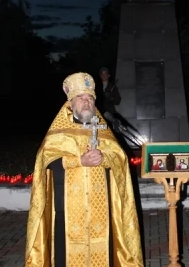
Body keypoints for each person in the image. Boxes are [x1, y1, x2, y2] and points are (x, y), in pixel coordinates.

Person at [25, 72, 143, 267]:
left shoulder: (103, 130)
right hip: (67, 207)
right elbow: (46, 162)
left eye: (89, 98)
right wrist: (78, 161)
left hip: (101, 208)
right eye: (80, 98)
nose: (86, 102)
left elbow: (119, 158)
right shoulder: (59, 132)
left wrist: (105, 158)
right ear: (70, 103)